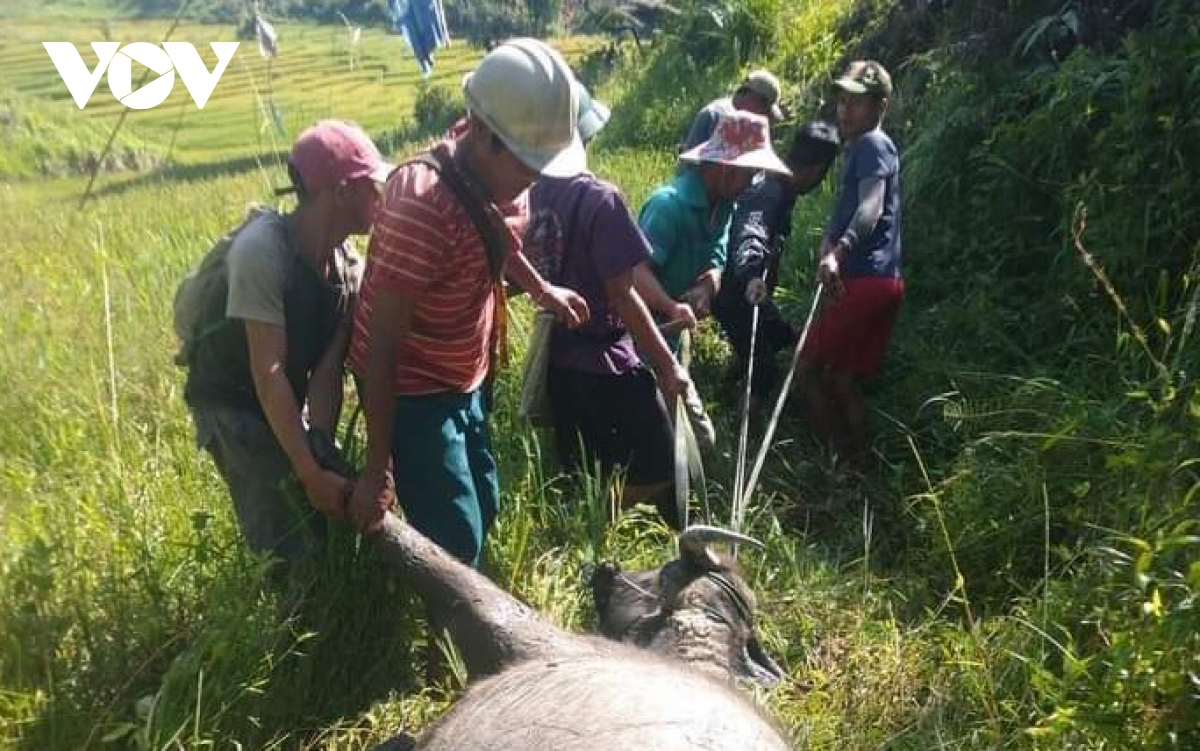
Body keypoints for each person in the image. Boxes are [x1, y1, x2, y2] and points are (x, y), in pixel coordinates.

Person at [347, 38, 587, 567]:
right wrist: (376, 466)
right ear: (481, 133)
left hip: (464, 376)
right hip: (413, 389)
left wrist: (542, 289)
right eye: (529, 164)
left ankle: (456, 619)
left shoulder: (495, 168)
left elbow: (497, 235)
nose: (536, 179)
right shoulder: (422, 207)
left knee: (486, 505)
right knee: (456, 542)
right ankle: (448, 643)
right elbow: (384, 349)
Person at [177, 120, 389, 583]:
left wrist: (321, 449)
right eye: (371, 185)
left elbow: (328, 373)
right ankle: (293, 642)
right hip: (233, 402)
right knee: (285, 539)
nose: (380, 195)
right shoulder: (261, 252)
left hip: (278, 396)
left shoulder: (346, 269)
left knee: (317, 513)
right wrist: (309, 474)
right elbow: (267, 371)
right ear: (338, 191)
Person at [522, 84, 696, 528]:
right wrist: (666, 366)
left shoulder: (531, 195)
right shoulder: (602, 199)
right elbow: (624, 293)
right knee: (658, 467)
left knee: (586, 467)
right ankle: (595, 523)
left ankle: (588, 533)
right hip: (608, 365)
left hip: (560, 362)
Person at [799, 60, 905, 474]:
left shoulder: (872, 145)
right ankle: (864, 466)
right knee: (841, 378)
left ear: (881, 104)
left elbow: (871, 208)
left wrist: (838, 251)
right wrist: (829, 240)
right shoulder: (864, 147)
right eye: (842, 100)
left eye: (857, 102)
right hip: (883, 280)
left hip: (866, 278)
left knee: (805, 369)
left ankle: (839, 466)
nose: (845, 110)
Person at [713, 120, 839, 411]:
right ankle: (741, 436)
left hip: (745, 287)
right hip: (736, 287)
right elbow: (750, 233)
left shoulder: (780, 186)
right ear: (818, 170)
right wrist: (752, 273)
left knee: (783, 334)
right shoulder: (770, 191)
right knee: (764, 369)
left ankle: (724, 390)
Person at [639, 110, 792, 327]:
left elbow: (715, 261)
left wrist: (706, 288)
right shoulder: (668, 207)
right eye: (749, 175)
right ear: (726, 167)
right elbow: (636, 273)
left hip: (675, 329)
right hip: (641, 331)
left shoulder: (724, 207)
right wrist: (670, 307)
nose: (751, 184)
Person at [681, 69, 785, 152]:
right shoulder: (713, 116)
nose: (763, 114)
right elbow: (689, 165)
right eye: (763, 107)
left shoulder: (752, 122)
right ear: (751, 96)